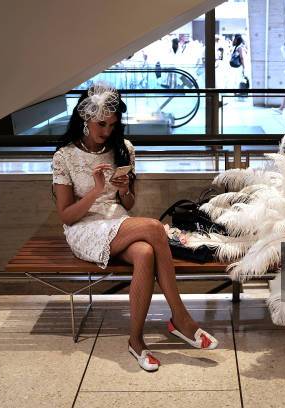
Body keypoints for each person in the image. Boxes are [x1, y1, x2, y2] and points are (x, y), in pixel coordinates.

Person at [51, 82, 218, 372]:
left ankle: (136, 341)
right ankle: (181, 318)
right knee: (154, 228)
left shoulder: (124, 149)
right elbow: (66, 216)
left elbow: (127, 204)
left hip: (118, 222)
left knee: (144, 253)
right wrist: (95, 190)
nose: (107, 131)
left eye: (113, 124)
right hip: (83, 229)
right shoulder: (64, 156)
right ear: (85, 119)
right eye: (101, 124)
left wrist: (125, 188)